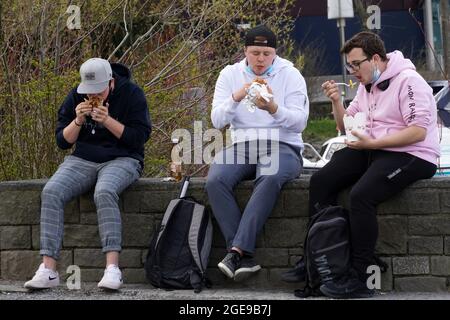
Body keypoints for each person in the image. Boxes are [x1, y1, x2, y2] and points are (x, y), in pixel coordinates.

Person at [283, 31, 440, 298]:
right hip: (376, 149)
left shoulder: (409, 82)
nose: (353, 71)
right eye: (349, 66)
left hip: (413, 154)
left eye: (357, 64)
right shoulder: (368, 86)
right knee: (321, 180)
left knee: (361, 196)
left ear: (376, 58)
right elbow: (346, 125)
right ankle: (316, 257)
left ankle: (360, 274)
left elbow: (418, 132)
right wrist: (336, 101)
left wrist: (371, 145)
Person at [24, 58, 152, 290]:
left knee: (104, 191)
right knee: (51, 191)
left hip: (123, 158)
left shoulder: (132, 94)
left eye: (99, 90)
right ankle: (48, 270)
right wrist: (78, 120)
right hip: (83, 158)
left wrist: (108, 120)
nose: (94, 95)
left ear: (111, 82)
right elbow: (63, 142)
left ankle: (112, 269)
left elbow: (139, 138)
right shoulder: (76, 95)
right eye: (89, 90)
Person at [205, 24, 309, 282]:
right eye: (255, 53)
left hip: (283, 144)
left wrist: (274, 108)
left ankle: (236, 251)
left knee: (270, 176)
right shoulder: (230, 74)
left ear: (274, 52)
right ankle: (243, 256)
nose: (261, 59)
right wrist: (237, 96)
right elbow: (217, 121)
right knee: (215, 179)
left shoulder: (291, 74)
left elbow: (299, 123)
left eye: (266, 53)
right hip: (243, 145)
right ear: (245, 52)